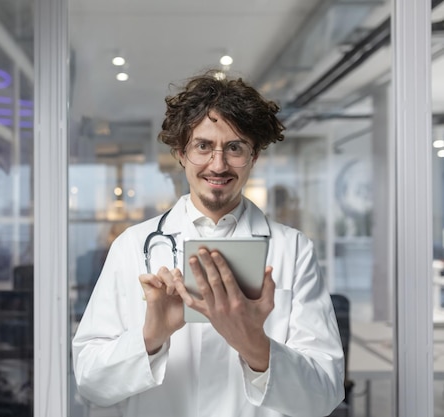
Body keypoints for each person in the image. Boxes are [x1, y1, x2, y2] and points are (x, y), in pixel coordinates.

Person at [72, 70, 344, 417]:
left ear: (254, 156)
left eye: (234, 148)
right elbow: (90, 384)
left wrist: (254, 344)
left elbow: (323, 395)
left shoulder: (293, 250)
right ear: (181, 153)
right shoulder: (132, 246)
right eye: (203, 146)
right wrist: (151, 337)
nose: (218, 164)